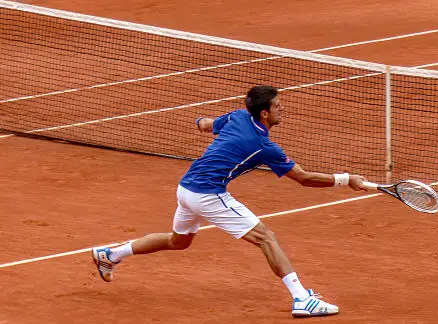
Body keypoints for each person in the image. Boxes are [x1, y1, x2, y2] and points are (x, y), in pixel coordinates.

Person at [91, 85, 368, 318]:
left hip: (186, 188)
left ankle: (111, 255)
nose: (281, 109)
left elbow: (206, 125)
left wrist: (200, 120)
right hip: (207, 194)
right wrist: (345, 179)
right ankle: (301, 299)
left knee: (179, 241)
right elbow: (304, 178)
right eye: (277, 106)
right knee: (266, 237)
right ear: (264, 113)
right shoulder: (264, 146)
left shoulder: (237, 116)